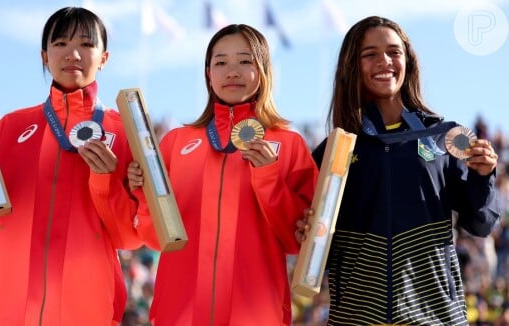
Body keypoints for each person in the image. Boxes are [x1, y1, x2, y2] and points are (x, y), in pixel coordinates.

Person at [296, 15, 501, 325]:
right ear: (353, 65)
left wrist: (483, 177)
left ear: (408, 60)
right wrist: (304, 229)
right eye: (370, 54)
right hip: (357, 316)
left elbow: (482, 224)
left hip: (435, 316)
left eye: (393, 51)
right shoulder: (334, 150)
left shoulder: (443, 138)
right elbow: (313, 237)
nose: (384, 61)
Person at [0, 7, 140, 325]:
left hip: (86, 308)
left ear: (104, 57)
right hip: (8, 307)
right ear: (44, 56)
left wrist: (105, 182)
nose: (73, 53)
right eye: (60, 44)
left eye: (86, 44)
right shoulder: (10, 128)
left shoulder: (124, 133)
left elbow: (130, 236)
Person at [127, 24, 317, 325]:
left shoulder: (288, 144)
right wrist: (141, 190)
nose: (232, 71)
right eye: (221, 62)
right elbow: (152, 235)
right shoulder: (175, 142)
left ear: (264, 70)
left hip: (256, 313)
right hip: (180, 312)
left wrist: (268, 177)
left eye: (245, 61)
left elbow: (297, 240)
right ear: (208, 73)